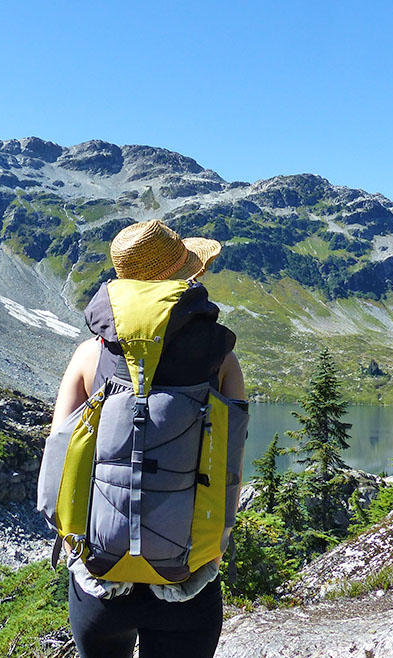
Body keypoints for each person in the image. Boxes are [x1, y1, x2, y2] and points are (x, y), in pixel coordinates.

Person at [51, 219, 244, 658]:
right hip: (187, 576)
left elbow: (59, 457)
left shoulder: (89, 355)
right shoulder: (222, 358)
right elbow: (232, 464)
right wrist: (214, 550)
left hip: (99, 578)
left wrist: (73, 546)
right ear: (186, 276)